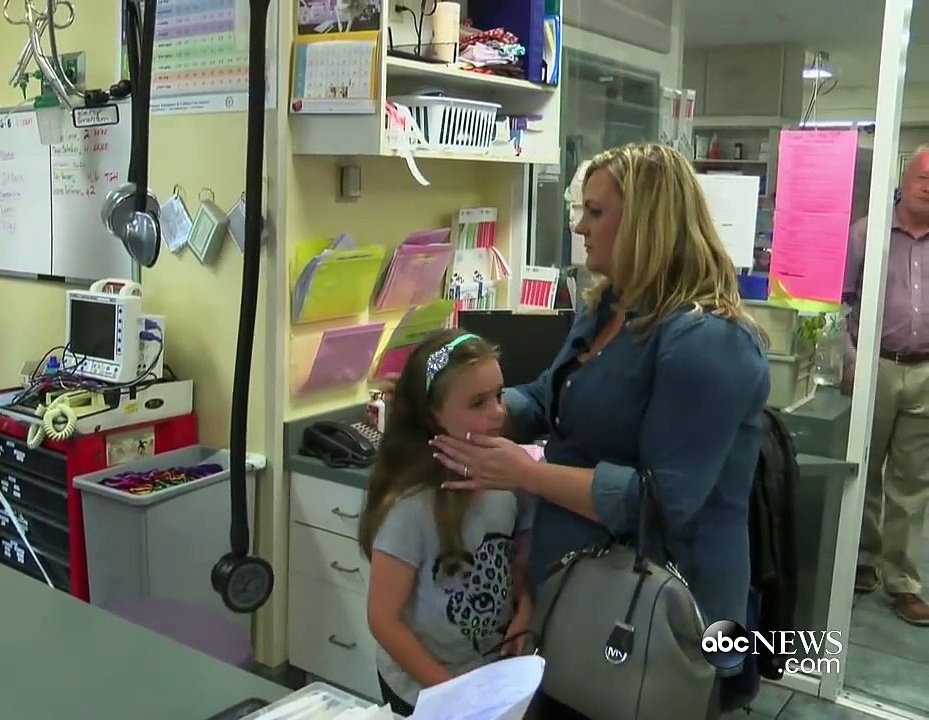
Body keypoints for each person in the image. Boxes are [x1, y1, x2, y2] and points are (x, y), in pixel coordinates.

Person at [427, 143, 770, 716]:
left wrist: (526, 474)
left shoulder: (708, 343)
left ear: (646, 223)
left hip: (662, 612)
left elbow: (661, 501)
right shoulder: (608, 308)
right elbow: (551, 397)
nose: (579, 226)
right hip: (579, 590)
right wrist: (482, 410)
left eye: (595, 212)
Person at [359, 329, 531, 717]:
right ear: (433, 415)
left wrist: (524, 610)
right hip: (423, 688)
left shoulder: (505, 485)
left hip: (483, 677)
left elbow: (512, 566)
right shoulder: (410, 507)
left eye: (500, 396)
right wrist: (453, 692)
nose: (499, 412)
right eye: (478, 402)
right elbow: (383, 620)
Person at [842, 146, 929, 626]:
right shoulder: (867, 233)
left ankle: (903, 582)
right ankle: (862, 561)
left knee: (912, 483)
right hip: (874, 365)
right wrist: (851, 360)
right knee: (864, 469)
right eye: (923, 176)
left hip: (925, 371)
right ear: (904, 178)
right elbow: (841, 301)